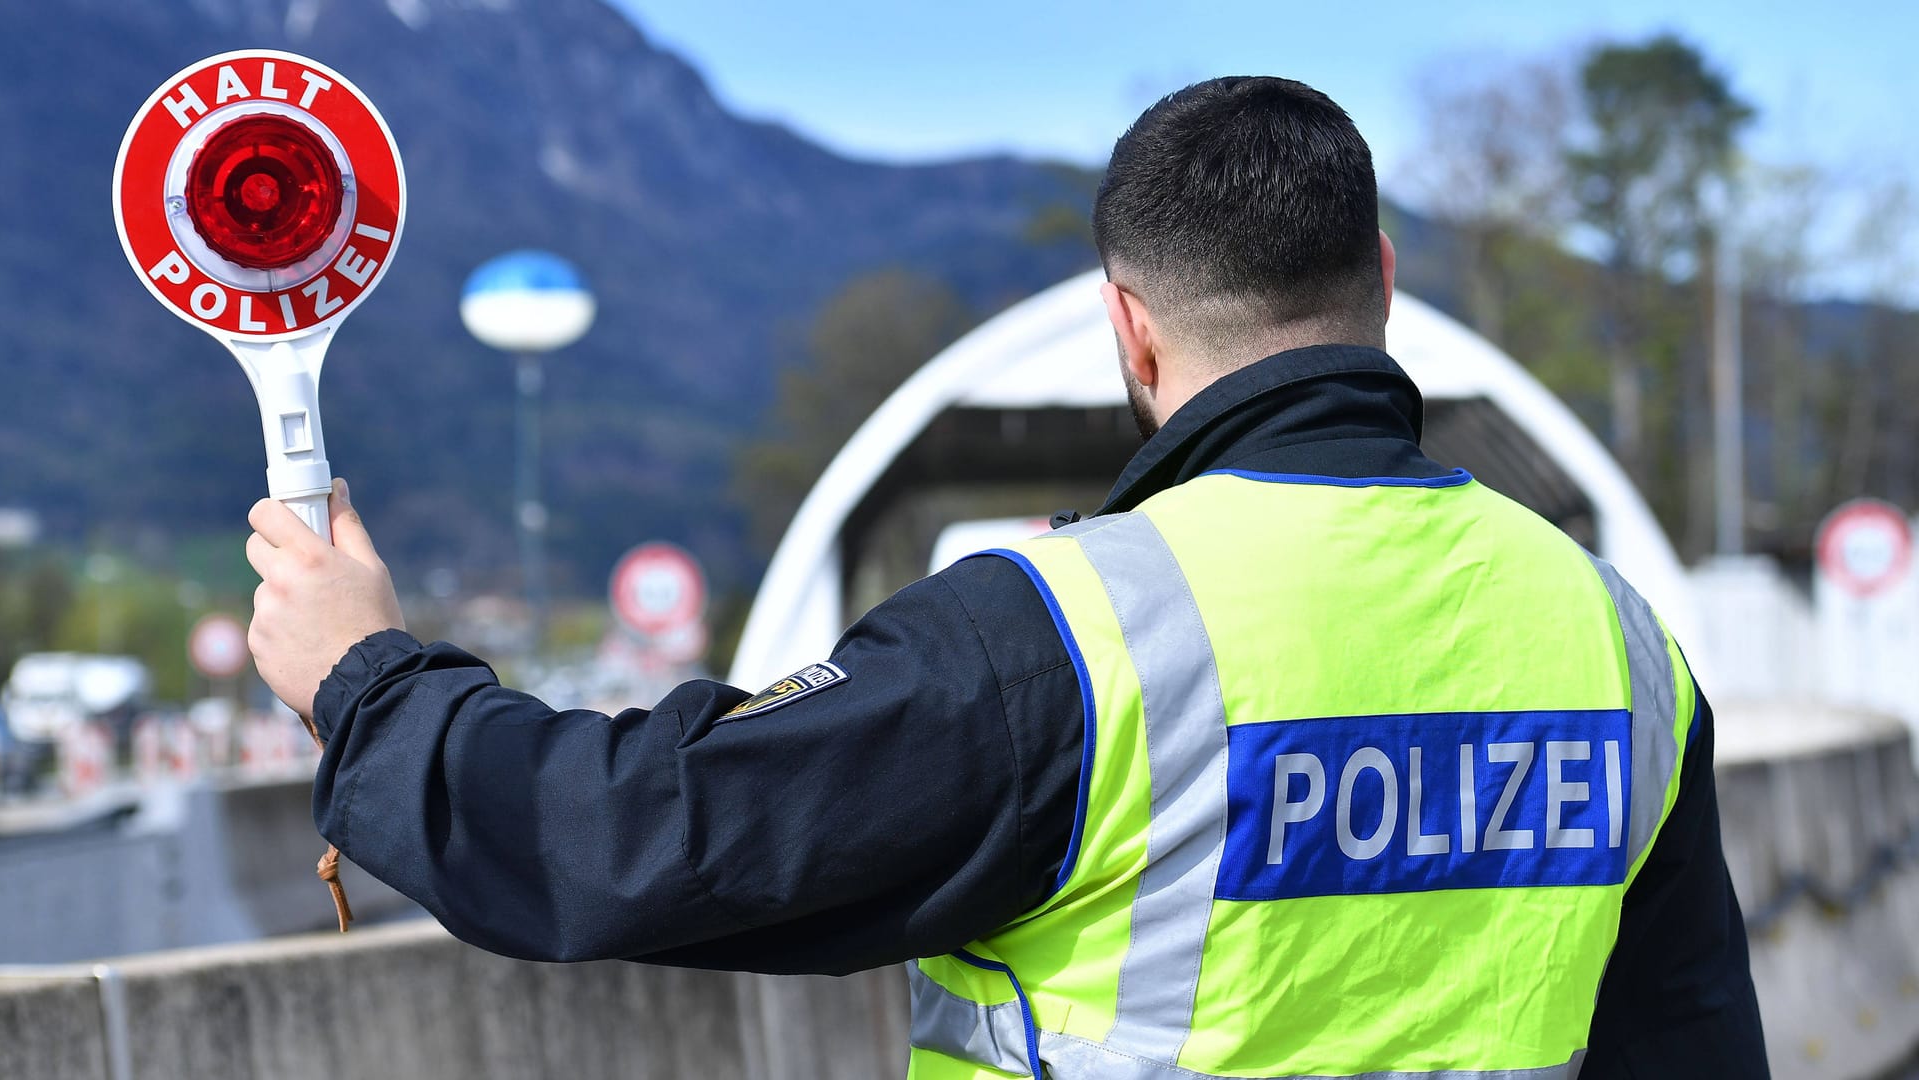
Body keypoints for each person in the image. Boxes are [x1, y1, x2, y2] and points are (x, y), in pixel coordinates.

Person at [246, 76, 1767, 1078]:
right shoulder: (1612, 638)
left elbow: (632, 833)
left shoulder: (1069, 639)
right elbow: (1692, 1042)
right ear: (1379, 280)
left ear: (1130, 326)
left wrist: (371, 686)